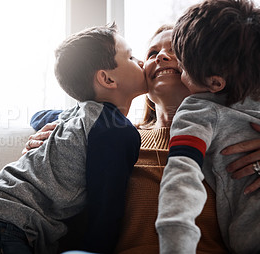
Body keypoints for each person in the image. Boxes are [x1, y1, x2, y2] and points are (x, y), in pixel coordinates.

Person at [25, 23, 260, 253]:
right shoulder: (109, 139)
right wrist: (46, 151)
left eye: (176, 50)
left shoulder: (237, 139)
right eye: (152, 53)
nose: (162, 57)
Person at [0, 23, 147, 254]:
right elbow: (106, 207)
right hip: (7, 224)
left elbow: (39, 116)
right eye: (131, 57)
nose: (141, 62)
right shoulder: (116, 131)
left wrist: (50, 128)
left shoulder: (80, 116)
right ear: (107, 79)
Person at [155, 0, 260, 253]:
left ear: (214, 83)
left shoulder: (197, 109)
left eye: (182, 66)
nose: (167, 59)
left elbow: (180, 180)